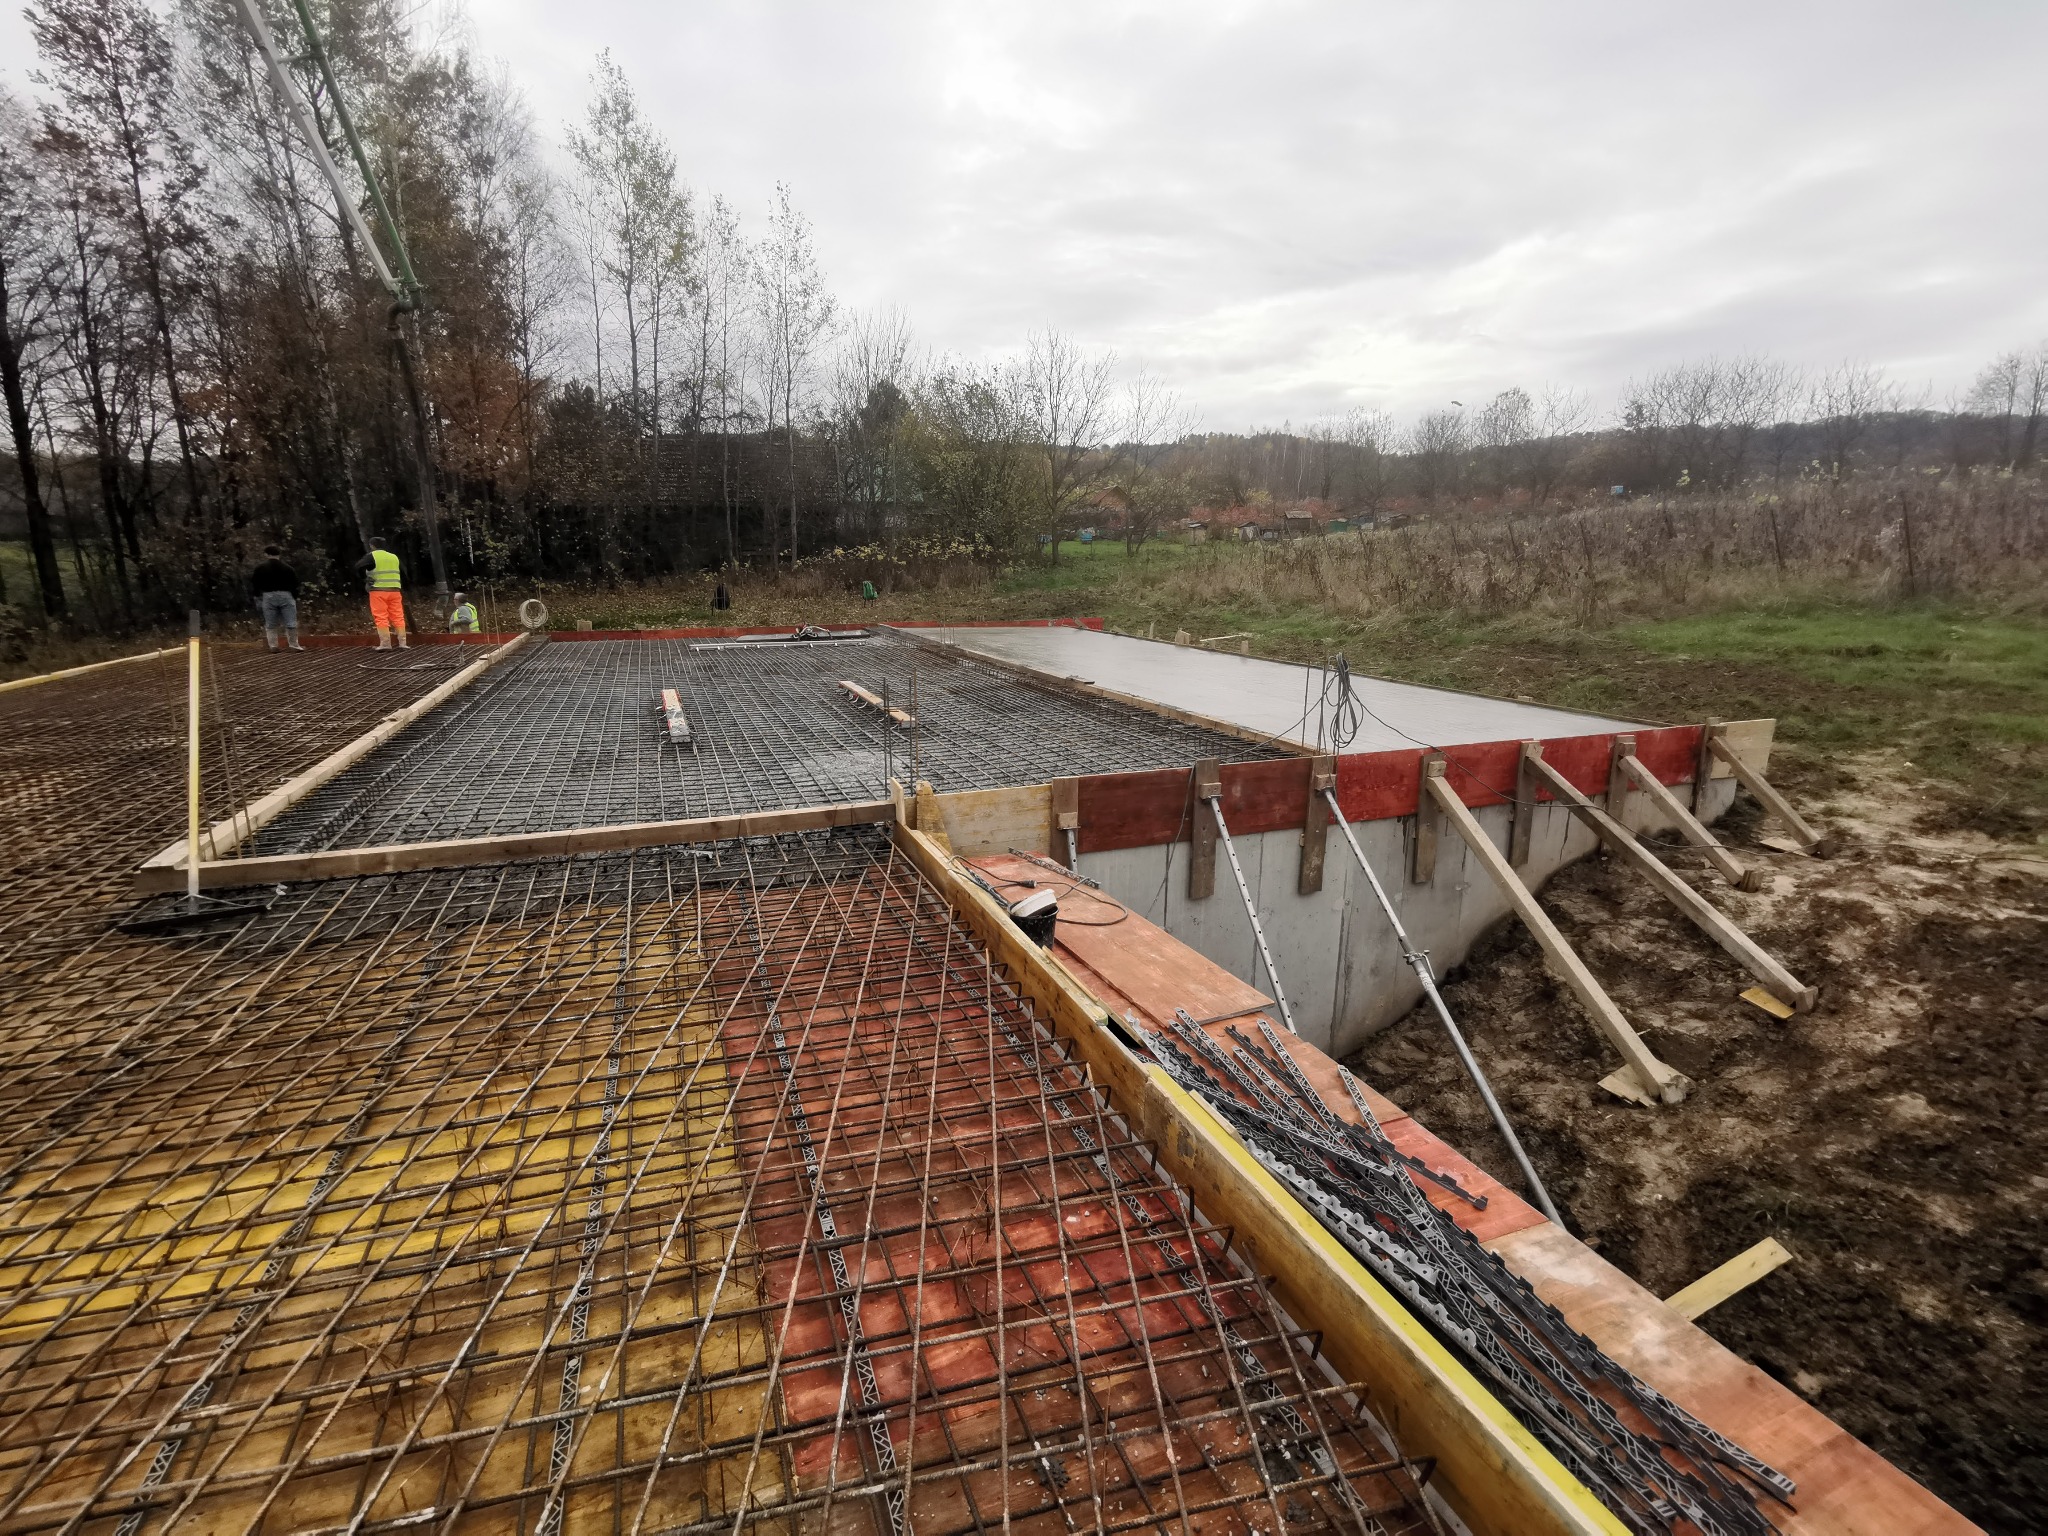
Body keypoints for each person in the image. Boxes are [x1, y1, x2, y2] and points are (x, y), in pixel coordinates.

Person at [355, 538, 408, 649]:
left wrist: (365, 579)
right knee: (398, 616)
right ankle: (403, 643)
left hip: (378, 591)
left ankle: (385, 644)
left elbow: (358, 566)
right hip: (395, 591)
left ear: (372, 545)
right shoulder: (394, 557)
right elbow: (403, 573)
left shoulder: (372, 556)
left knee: (381, 616)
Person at [250, 546, 303, 651]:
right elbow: (295, 584)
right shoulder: (288, 568)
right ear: (279, 554)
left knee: (270, 623)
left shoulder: (260, 568)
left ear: (266, 554)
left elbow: (255, 583)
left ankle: (273, 645)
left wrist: (257, 595)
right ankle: (293, 645)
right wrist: (294, 596)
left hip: (268, 595)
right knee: (291, 622)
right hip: (286, 595)